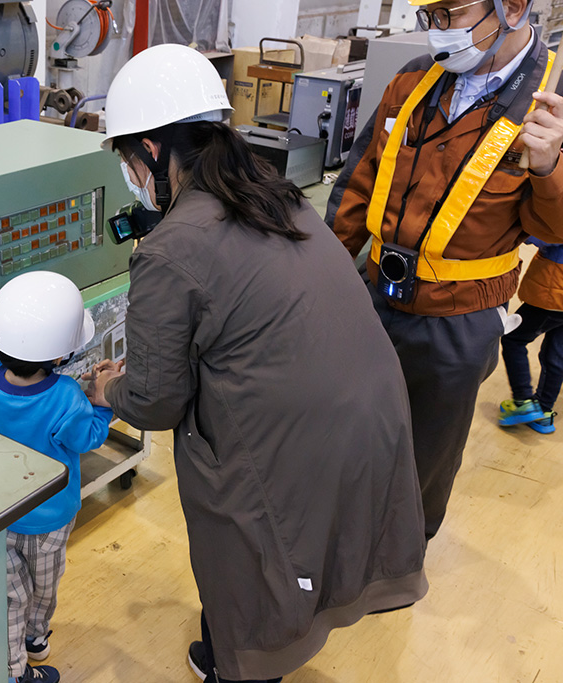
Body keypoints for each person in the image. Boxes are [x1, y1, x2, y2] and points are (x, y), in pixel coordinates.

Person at [84, 44, 428, 683]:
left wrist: (110, 388)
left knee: (248, 550)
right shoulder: (276, 197)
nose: (129, 174)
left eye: (127, 158)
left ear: (153, 151)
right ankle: (227, 649)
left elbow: (157, 403)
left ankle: (244, 668)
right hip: (371, 418)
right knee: (305, 553)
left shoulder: (172, 249)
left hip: (295, 441)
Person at [326, 0, 563, 540]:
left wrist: (550, 168)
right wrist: (324, 282)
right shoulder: (413, 81)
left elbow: (556, 230)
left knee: (425, 456)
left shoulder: (552, 102)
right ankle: (347, 535)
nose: (434, 33)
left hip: (458, 320)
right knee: (354, 428)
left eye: (447, 14)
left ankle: (401, 561)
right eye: (425, 17)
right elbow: (356, 186)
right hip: (373, 300)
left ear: (513, 7)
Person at [0, 236, 113, 683]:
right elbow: (89, 437)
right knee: (43, 589)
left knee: (7, 595)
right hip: (51, 521)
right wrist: (104, 400)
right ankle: (20, 664)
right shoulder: (68, 399)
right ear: (59, 354)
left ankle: (21, 650)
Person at [498, 237, 563, 433]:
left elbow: (545, 233)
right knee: (556, 354)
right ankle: (543, 411)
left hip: (554, 292)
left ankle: (523, 400)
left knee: (513, 338)